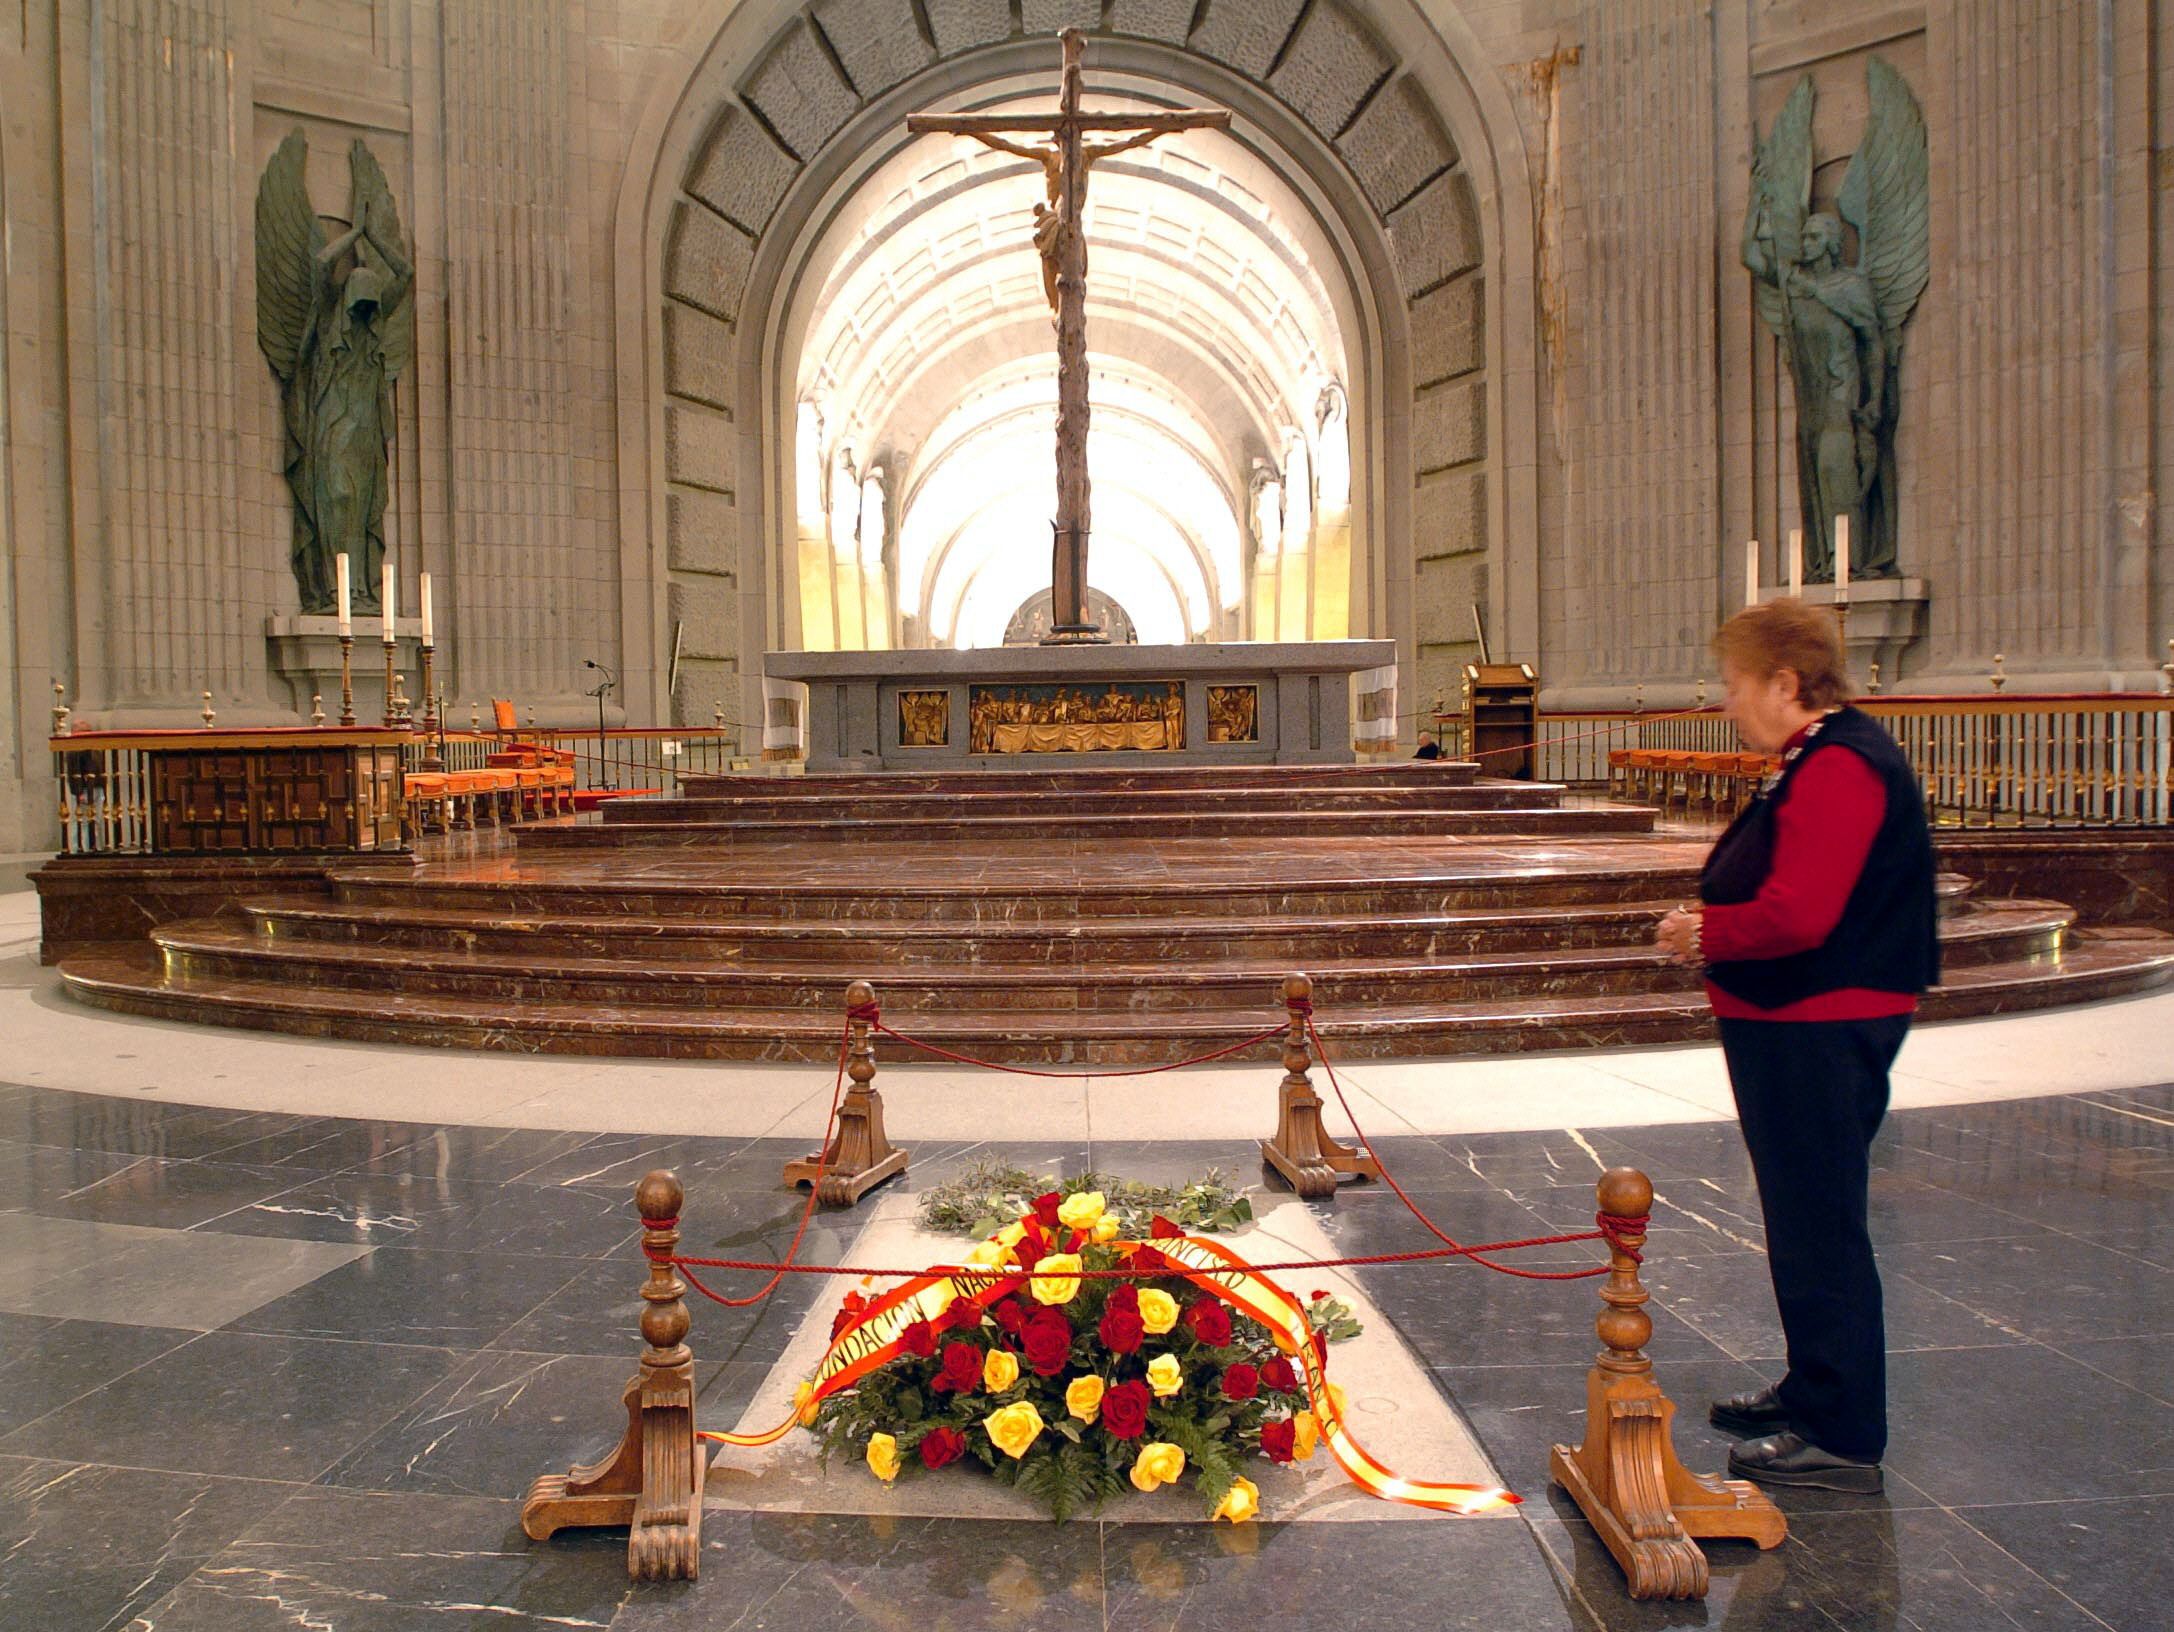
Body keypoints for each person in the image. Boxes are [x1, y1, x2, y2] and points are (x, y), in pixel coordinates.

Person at [1653, 598, 1938, 1493]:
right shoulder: (1814, 757)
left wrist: (1707, 932)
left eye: (1737, 682)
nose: (1728, 700)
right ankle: (1814, 1382)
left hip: (1821, 1022)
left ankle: (1842, 1431)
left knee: (1820, 1220)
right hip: (1795, 1024)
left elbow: (1801, 913)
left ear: (1785, 682)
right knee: (1802, 1215)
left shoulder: (1843, 765)